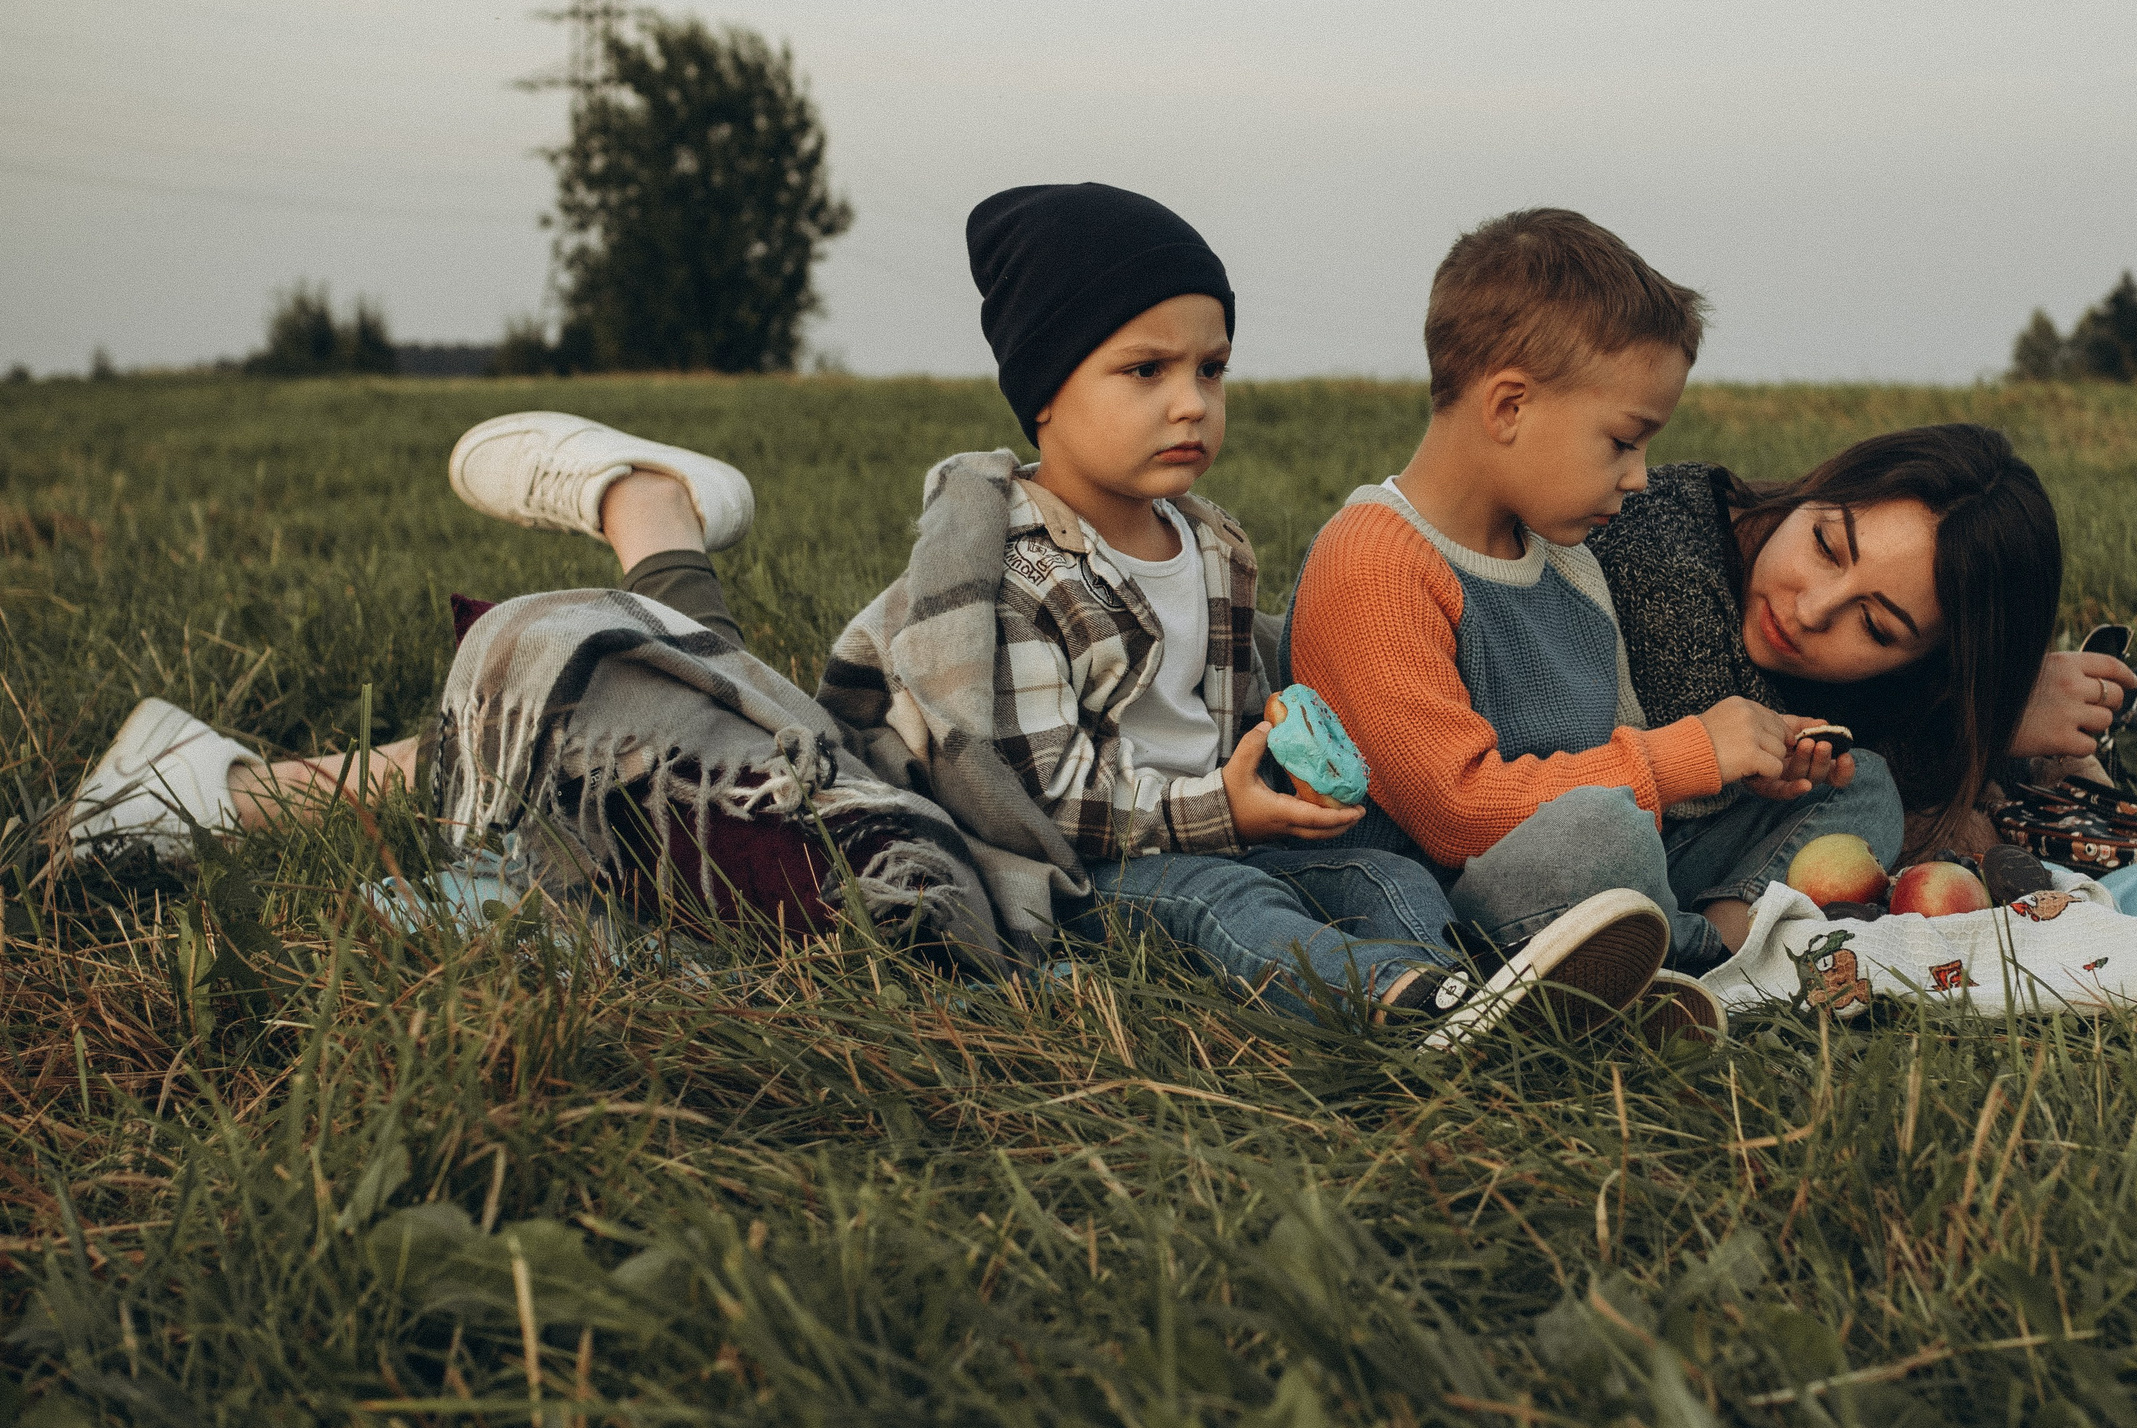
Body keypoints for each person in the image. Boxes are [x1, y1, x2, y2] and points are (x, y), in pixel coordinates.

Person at [70, 184, 1689, 1046]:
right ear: (1043, 387)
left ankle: (1485, 978)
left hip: (1219, 821)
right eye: (1145, 368)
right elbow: (1038, 797)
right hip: (1116, 853)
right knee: (647, 718)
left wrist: (1283, 756)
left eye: (1212, 366)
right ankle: (645, 510)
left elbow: (1222, 703)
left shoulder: (1228, 545)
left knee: (1380, 870)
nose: (1193, 400)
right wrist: (1221, 803)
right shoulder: (1002, 567)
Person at [1283, 209, 2097, 982]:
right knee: (1604, 836)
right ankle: (1708, 949)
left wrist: (1742, 771)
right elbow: (1457, 814)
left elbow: (1616, 748)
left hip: (1590, 855)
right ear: (1508, 406)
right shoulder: (1377, 561)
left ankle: (1696, 934)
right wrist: (1691, 756)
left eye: (1877, 626)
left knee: (1858, 786)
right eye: (1624, 441)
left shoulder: (1560, 560)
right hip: (1451, 886)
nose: (1638, 476)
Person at [1590, 433, 2137, 859]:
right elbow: (1744, 773)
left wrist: (1990, 701)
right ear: (1822, 487)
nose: (1810, 611)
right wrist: (1984, 725)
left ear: (1929, 665)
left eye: (1875, 627)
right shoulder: (1663, 562)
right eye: (1826, 545)